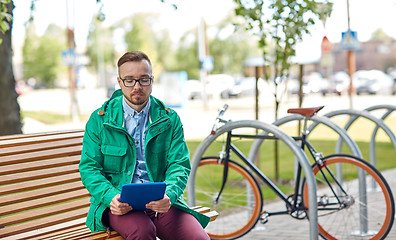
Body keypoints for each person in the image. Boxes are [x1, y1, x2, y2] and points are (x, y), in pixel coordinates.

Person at [79, 51, 210, 240]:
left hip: (162, 202)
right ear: (119, 81)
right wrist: (110, 198)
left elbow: (179, 165)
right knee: (142, 231)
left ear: (152, 80)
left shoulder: (169, 119)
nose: (137, 86)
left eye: (143, 79)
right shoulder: (100, 120)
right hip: (120, 205)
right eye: (129, 80)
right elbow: (89, 168)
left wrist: (169, 195)